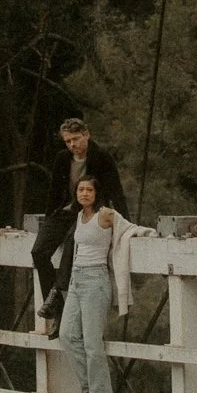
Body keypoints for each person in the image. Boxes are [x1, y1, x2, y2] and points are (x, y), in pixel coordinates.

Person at [32, 116, 128, 337]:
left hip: (89, 212)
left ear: (87, 135)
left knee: (71, 243)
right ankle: (55, 302)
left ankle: (57, 300)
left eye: (76, 139)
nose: (72, 145)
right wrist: (49, 221)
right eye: (68, 141)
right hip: (65, 212)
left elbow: (116, 190)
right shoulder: (62, 159)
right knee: (38, 251)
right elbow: (54, 193)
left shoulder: (102, 158)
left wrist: (125, 222)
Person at [58, 174, 115, 393]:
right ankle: (88, 386)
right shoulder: (80, 216)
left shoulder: (105, 214)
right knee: (67, 335)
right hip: (76, 279)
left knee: (92, 342)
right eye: (80, 190)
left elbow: (127, 226)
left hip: (96, 279)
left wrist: (145, 234)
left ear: (96, 193)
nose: (84, 194)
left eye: (89, 190)